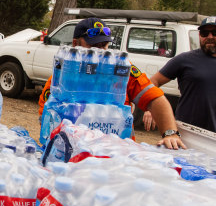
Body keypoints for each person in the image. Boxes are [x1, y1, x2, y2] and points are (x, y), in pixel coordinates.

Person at [38, 17, 185, 149]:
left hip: (115, 156)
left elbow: (155, 98)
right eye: (94, 46)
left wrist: (170, 133)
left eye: (104, 45)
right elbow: (48, 122)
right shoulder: (61, 81)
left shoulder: (120, 71)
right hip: (74, 156)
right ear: (75, 44)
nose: (100, 51)